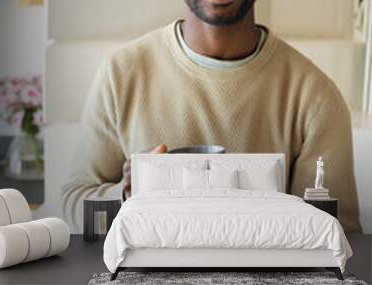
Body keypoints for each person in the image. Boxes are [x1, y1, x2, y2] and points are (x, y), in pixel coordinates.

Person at [63, 0, 362, 233]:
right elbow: (73, 207)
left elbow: (337, 237)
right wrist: (129, 196)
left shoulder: (315, 95)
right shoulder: (120, 74)